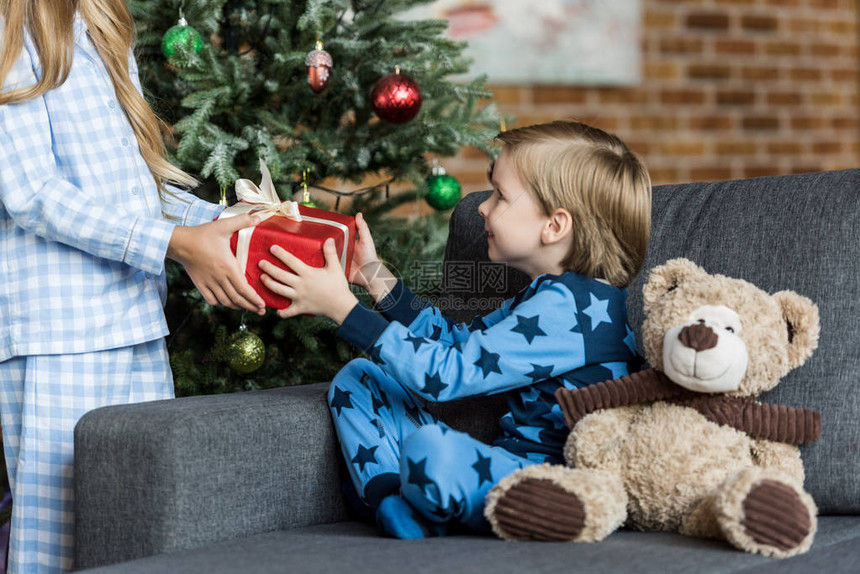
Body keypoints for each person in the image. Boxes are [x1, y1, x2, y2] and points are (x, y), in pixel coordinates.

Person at [259, 120, 652, 539]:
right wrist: (375, 277)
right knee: (359, 378)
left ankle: (411, 498)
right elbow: (456, 344)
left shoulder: (572, 309)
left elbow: (446, 375)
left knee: (433, 451)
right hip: (503, 465)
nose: (483, 206)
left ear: (554, 226)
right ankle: (395, 501)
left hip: (542, 480)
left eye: (500, 196)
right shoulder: (547, 297)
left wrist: (345, 311)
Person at [0, 2, 266, 571]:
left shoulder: (99, 29)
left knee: (142, 535)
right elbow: (32, 193)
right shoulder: (9, 31)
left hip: (138, 322)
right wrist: (173, 245)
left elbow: (136, 187)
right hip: (59, 335)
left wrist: (213, 223)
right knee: (58, 549)